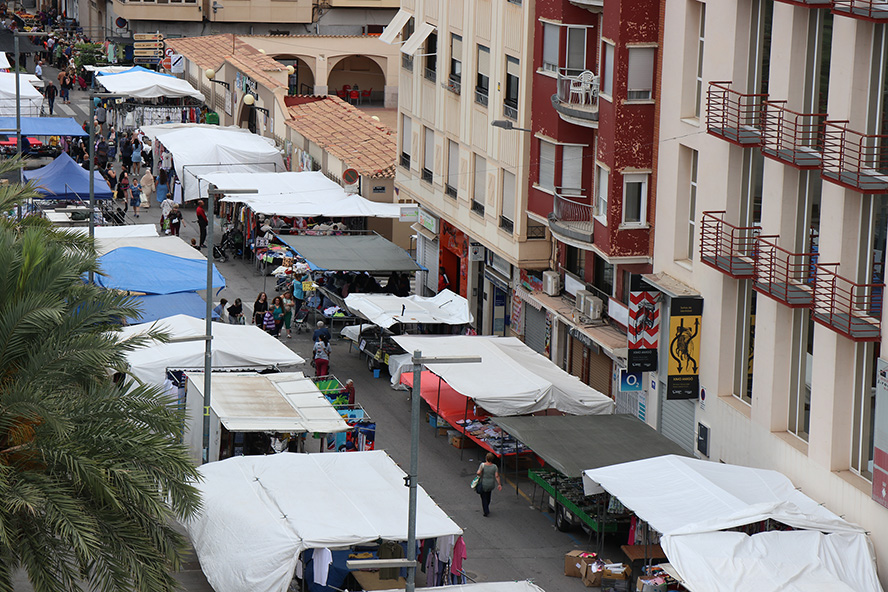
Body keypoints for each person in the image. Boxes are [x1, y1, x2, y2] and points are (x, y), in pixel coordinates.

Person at [475, 452, 502, 517]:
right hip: (491, 484)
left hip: (484, 483)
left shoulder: (482, 465)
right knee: (488, 495)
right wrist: (499, 484)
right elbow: (497, 476)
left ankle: (486, 510)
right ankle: (487, 504)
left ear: (486, 458)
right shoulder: (495, 467)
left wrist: (479, 474)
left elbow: (478, 472)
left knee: (483, 497)